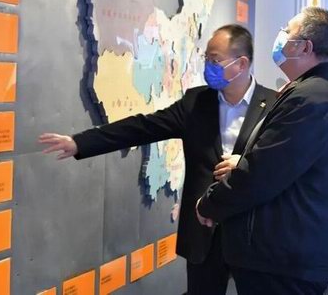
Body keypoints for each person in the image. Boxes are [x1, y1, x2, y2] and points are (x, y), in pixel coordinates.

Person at [38, 25, 277, 295]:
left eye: (214, 59)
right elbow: (143, 127)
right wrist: (80, 143)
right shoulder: (196, 102)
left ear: (241, 63)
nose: (208, 66)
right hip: (203, 234)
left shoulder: (274, 106)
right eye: (206, 58)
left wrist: (244, 165)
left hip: (252, 233)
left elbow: (283, 168)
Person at [195, 6, 328, 295]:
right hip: (286, 253)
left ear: (305, 47)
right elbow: (285, 160)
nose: (280, 36)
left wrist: (210, 204)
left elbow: (263, 173)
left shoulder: (312, 97)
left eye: (287, 31)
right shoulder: (313, 90)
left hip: (283, 259)